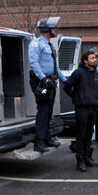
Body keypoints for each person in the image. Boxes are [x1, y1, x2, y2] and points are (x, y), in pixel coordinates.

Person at [29, 17, 67, 153]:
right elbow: (33, 63)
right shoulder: (36, 44)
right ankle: (38, 142)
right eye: (53, 28)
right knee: (43, 111)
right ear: (46, 29)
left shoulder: (50, 45)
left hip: (50, 81)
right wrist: (44, 79)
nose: (55, 30)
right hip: (41, 81)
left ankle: (47, 138)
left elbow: (55, 66)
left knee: (49, 111)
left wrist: (65, 80)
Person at [63, 51, 98, 172]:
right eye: (92, 58)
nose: (95, 60)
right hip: (82, 108)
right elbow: (67, 86)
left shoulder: (96, 73)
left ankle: (87, 158)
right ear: (85, 60)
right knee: (81, 135)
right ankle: (79, 161)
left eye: (96, 58)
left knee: (89, 135)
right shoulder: (78, 72)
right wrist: (75, 97)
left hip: (93, 107)